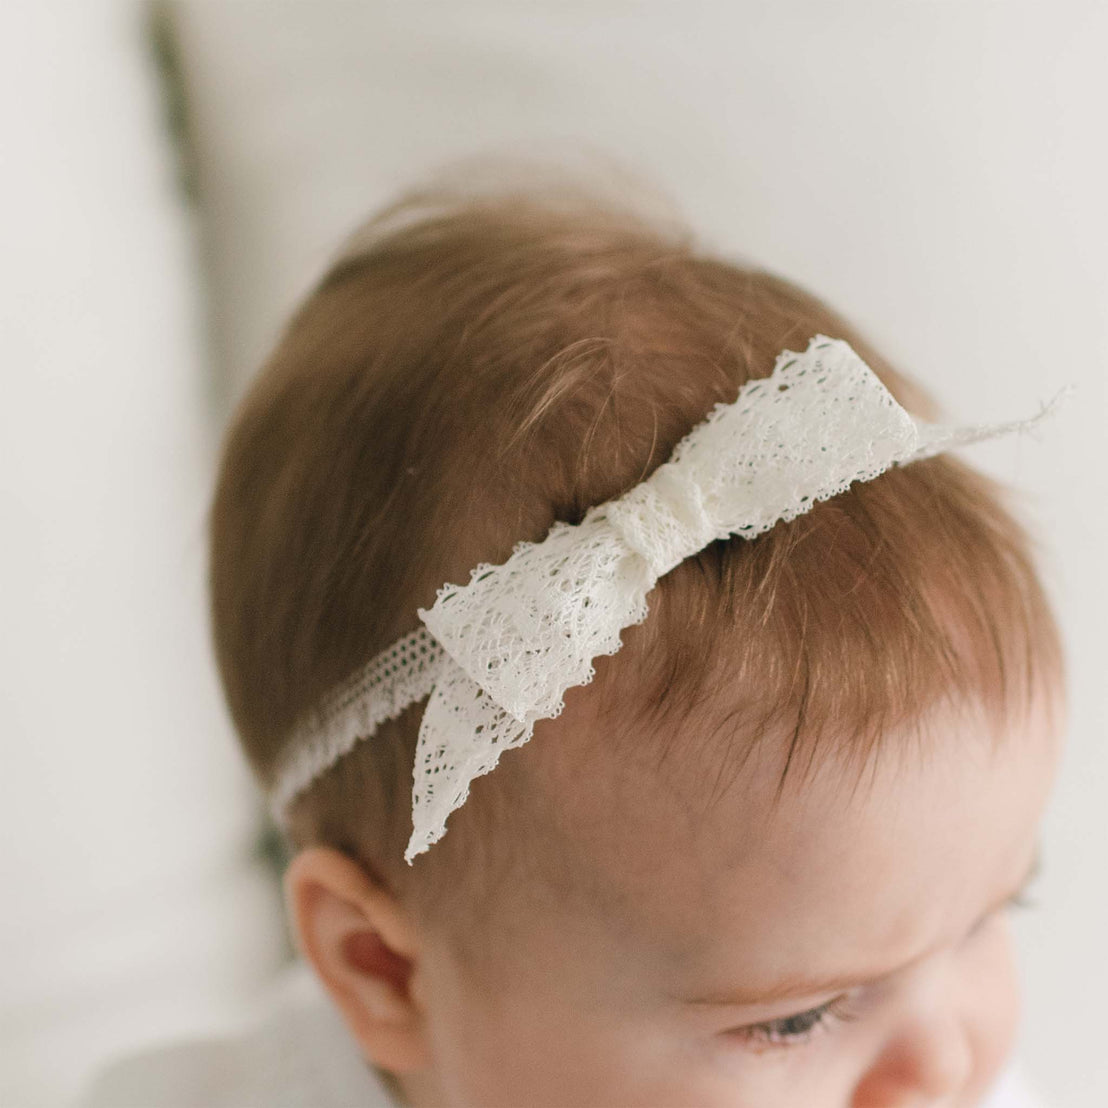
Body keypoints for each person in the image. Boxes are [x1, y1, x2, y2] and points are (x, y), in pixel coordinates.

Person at [81, 173, 1067, 1107]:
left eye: (986, 920)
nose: (946, 1062)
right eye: (795, 1019)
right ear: (383, 972)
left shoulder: (947, 1071)